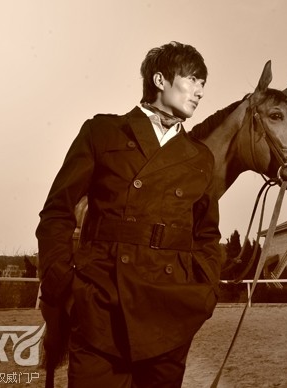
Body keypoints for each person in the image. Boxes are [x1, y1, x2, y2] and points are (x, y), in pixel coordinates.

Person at [35, 41, 221, 387]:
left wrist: (206, 291)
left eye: (203, 83)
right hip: (101, 308)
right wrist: (64, 283)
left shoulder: (200, 157)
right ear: (160, 80)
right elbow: (57, 212)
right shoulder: (102, 132)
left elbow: (207, 235)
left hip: (171, 313)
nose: (200, 91)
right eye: (193, 79)